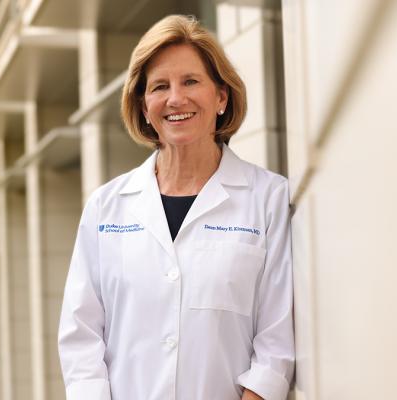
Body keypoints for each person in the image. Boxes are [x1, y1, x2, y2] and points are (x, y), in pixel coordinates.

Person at [58, 14, 294, 400]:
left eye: (191, 81)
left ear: (221, 96)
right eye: (159, 87)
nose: (175, 99)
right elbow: (81, 336)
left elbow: (277, 341)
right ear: (144, 105)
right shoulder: (106, 207)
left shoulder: (267, 198)